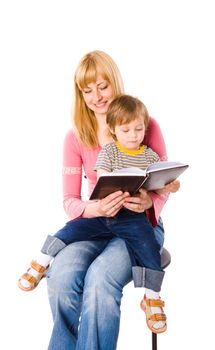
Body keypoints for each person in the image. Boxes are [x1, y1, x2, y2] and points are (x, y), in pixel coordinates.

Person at [21, 50, 179, 349]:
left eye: (102, 86)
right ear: (80, 94)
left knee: (100, 279)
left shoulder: (143, 123)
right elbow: (69, 201)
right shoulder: (75, 137)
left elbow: (162, 180)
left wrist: (148, 203)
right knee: (62, 276)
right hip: (95, 222)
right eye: (87, 90)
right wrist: (93, 207)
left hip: (138, 225)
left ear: (115, 83)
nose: (96, 97)